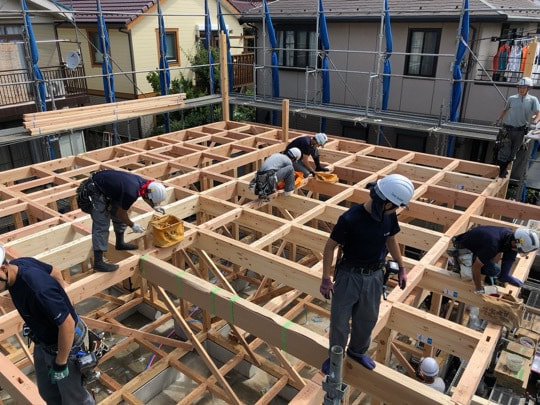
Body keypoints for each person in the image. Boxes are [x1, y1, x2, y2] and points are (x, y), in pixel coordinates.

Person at [320, 174, 414, 372]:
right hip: (349, 275)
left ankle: (357, 352)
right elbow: (329, 247)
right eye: (396, 206)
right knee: (339, 321)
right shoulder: (350, 218)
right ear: (386, 202)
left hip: (374, 275)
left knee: (367, 319)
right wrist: (326, 279)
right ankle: (336, 356)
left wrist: (402, 266)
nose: (396, 210)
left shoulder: (388, 217)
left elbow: (391, 240)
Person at [0, 246, 95, 404]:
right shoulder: (19, 264)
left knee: (75, 400)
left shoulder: (38, 288)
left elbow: (67, 325)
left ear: (3, 268)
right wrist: (58, 303)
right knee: (48, 393)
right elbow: (55, 272)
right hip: (44, 341)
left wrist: (61, 363)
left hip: (66, 345)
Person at [83, 170, 167, 272]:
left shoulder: (145, 185)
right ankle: (98, 262)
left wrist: (154, 206)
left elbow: (146, 196)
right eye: (152, 202)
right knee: (102, 224)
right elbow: (120, 214)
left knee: (120, 210)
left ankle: (120, 243)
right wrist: (132, 225)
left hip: (108, 185)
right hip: (95, 189)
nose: (151, 202)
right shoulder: (131, 193)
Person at [451, 226, 539, 291]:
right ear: (514, 242)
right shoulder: (493, 245)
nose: (517, 251)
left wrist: (506, 276)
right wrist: (478, 288)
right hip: (464, 247)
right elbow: (475, 268)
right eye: (518, 249)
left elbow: (510, 255)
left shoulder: (510, 237)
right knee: (468, 277)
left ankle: (481, 262)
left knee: (498, 265)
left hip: (480, 244)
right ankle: (459, 262)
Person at [495, 77, 540, 178]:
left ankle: (504, 170)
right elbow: (505, 109)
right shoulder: (512, 98)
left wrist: (535, 122)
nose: (521, 89)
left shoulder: (532, 100)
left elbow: (538, 113)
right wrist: (497, 120)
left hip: (520, 131)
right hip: (507, 129)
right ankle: (502, 171)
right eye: (520, 87)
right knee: (504, 151)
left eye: (524, 87)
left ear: (528, 88)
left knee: (513, 153)